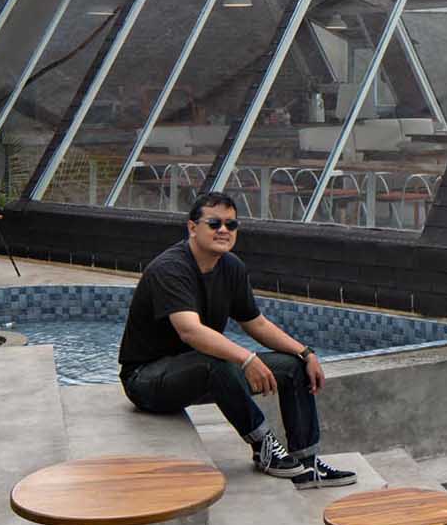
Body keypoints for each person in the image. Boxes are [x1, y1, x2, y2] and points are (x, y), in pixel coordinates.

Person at [116, 191, 354, 484]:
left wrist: (306, 353)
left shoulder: (231, 267)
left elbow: (256, 324)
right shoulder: (170, 269)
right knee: (217, 361)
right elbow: (190, 331)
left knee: (293, 367)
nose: (224, 231)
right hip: (147, 381)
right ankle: (263, 447)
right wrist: (246, 358)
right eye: (214, 223)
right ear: (192, 228)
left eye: (231, 224)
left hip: (198, 375)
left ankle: (307, 463)